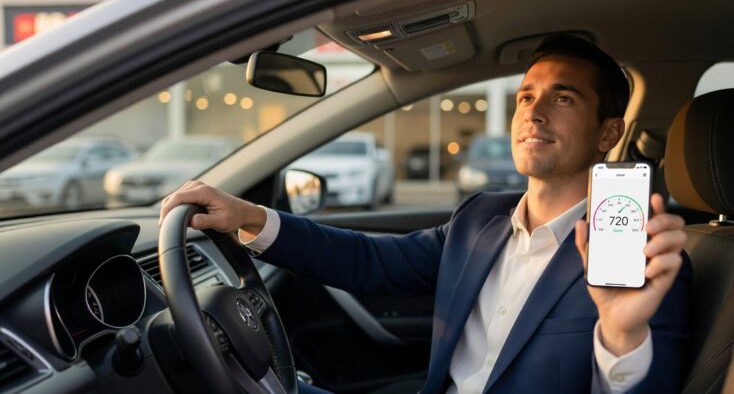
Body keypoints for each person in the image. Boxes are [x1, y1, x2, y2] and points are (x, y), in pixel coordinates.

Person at [160, 34, 690, 394]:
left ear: (608, 133)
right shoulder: (480, 218)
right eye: (526, 96)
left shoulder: (641, 258)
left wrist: (622, 338)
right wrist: (248, 216)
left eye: (564, 98)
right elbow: (369, 261)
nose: (534, 111)